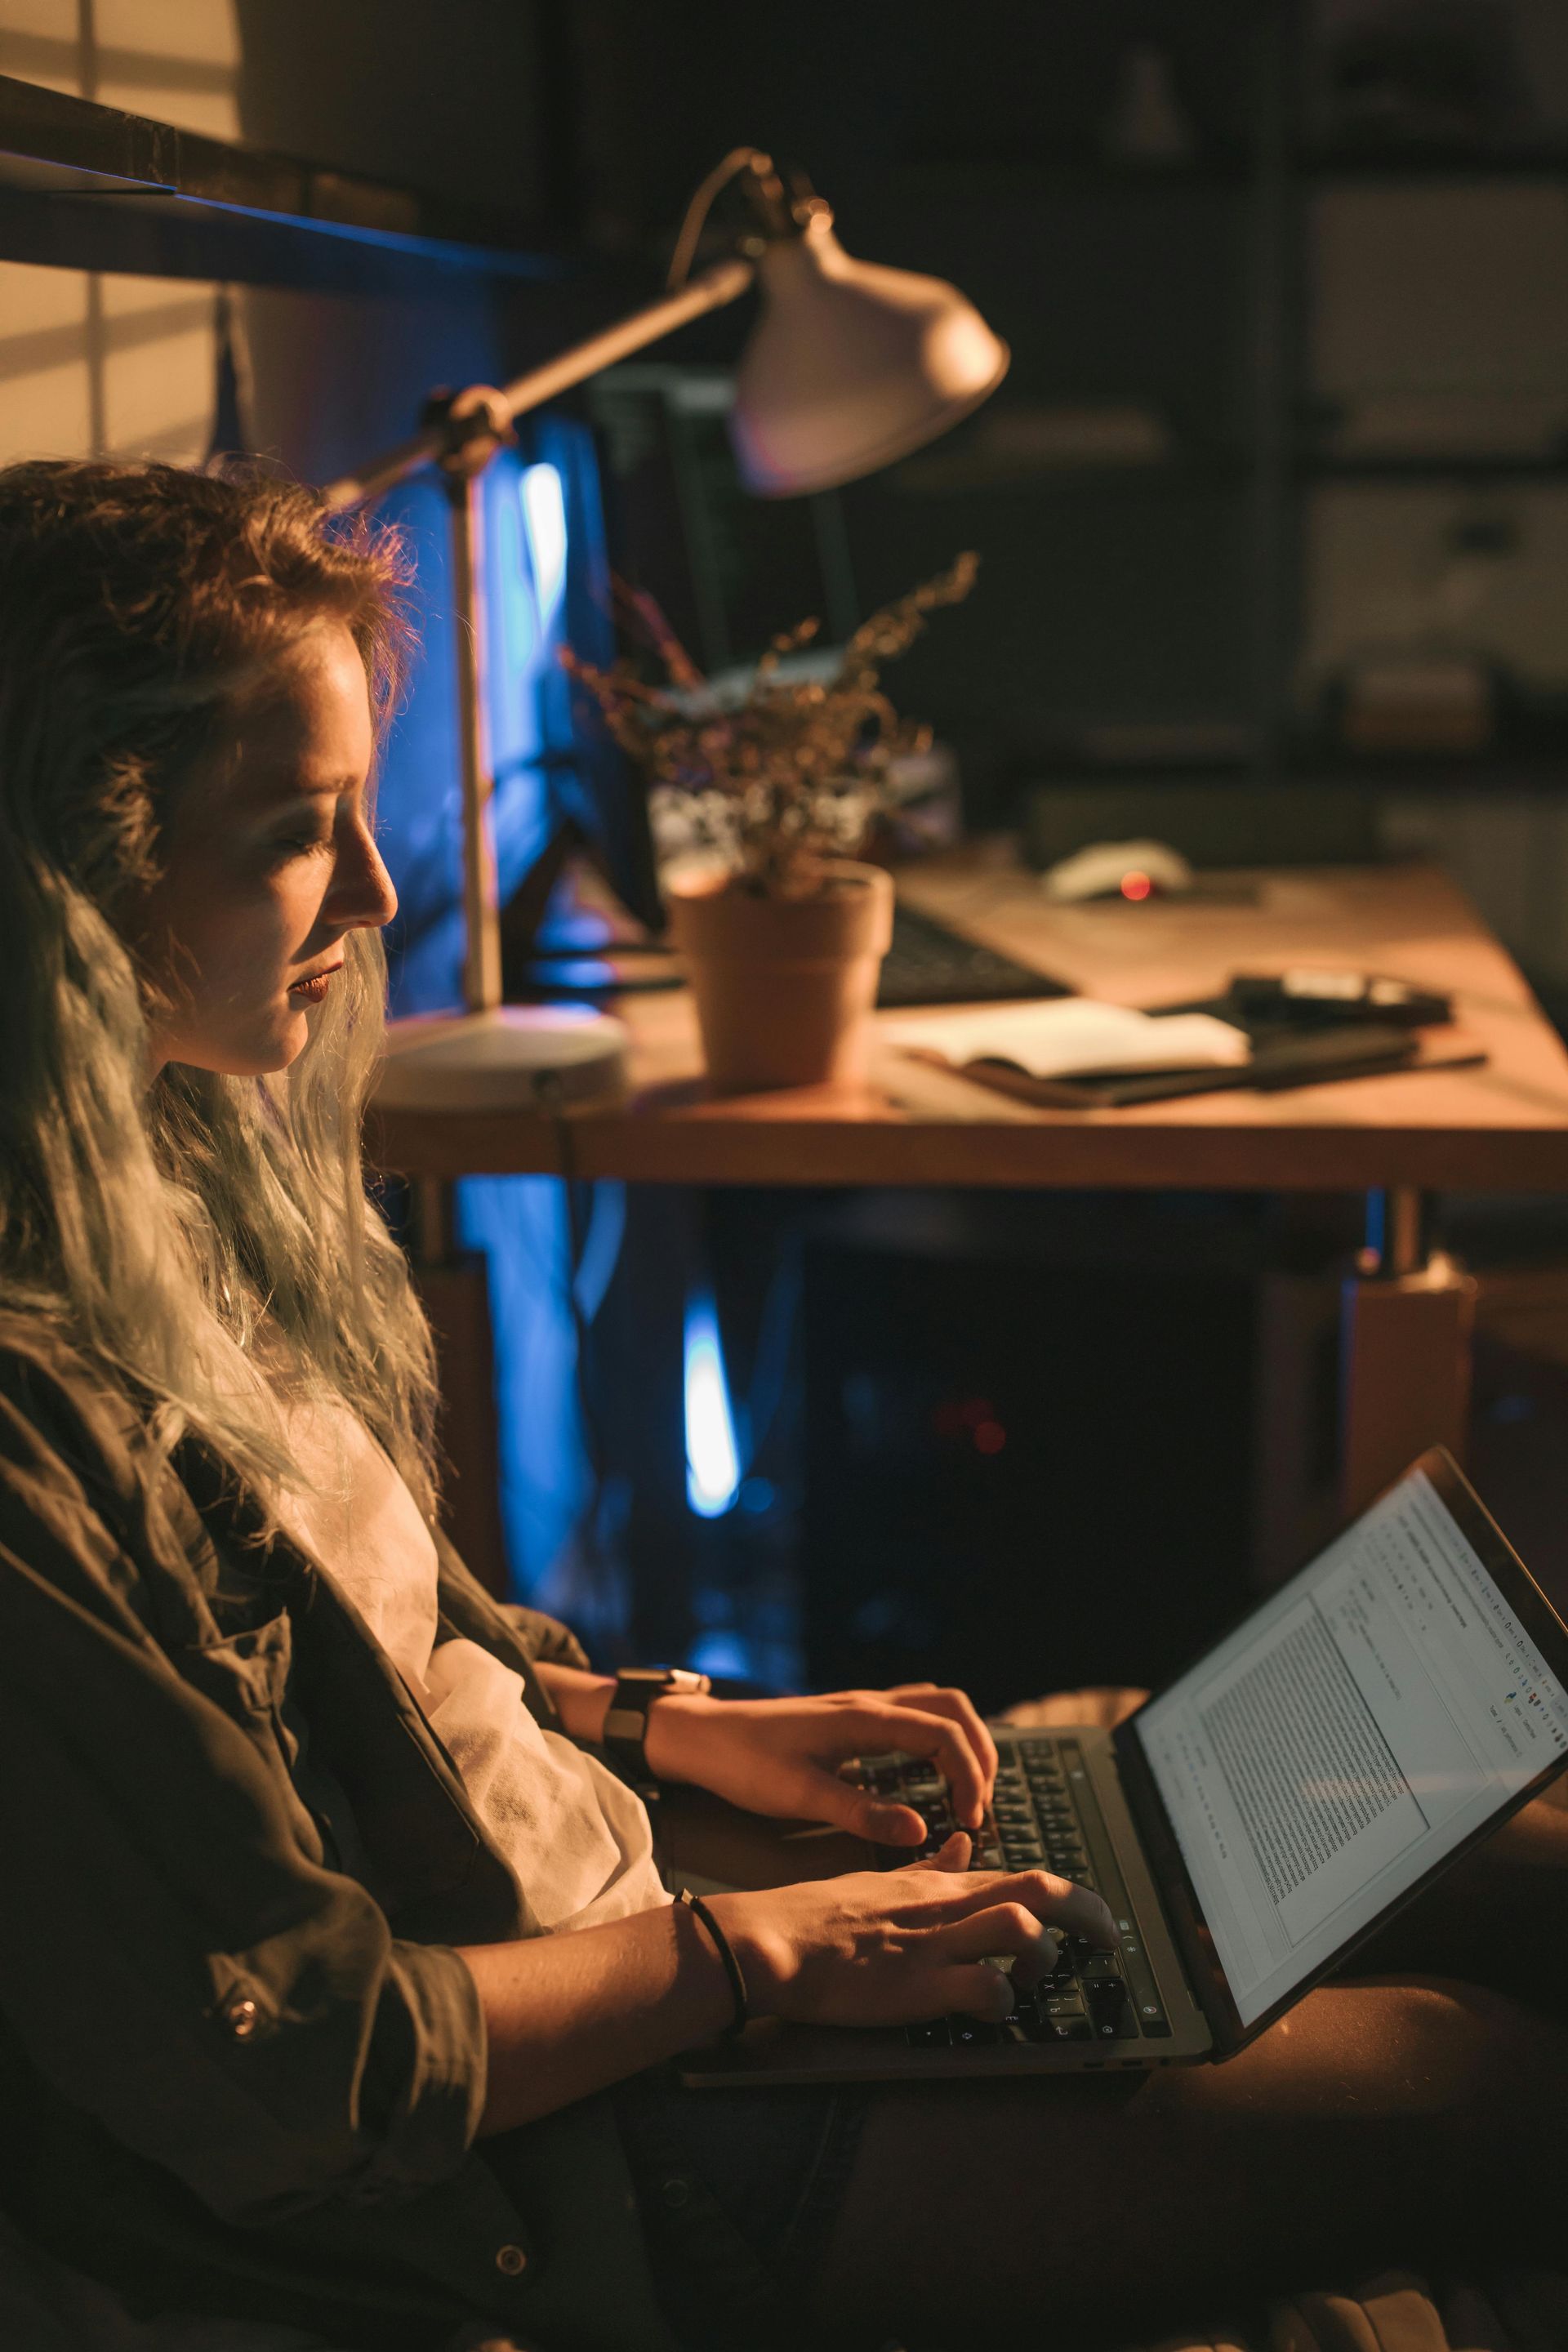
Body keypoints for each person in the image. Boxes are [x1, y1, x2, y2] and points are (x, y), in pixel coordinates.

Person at [0, 458, 1565, 2352]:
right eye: (295, 832)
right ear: (66, 876)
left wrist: (674, 1729)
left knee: (1471, 1850)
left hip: (658, 1914)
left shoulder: (172, 1170)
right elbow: (316, 2069)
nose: (386, 895)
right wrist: (758, 1962)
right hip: (600, 2140)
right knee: (1483, 2079)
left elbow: (395, 1661)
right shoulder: (30, 1433)